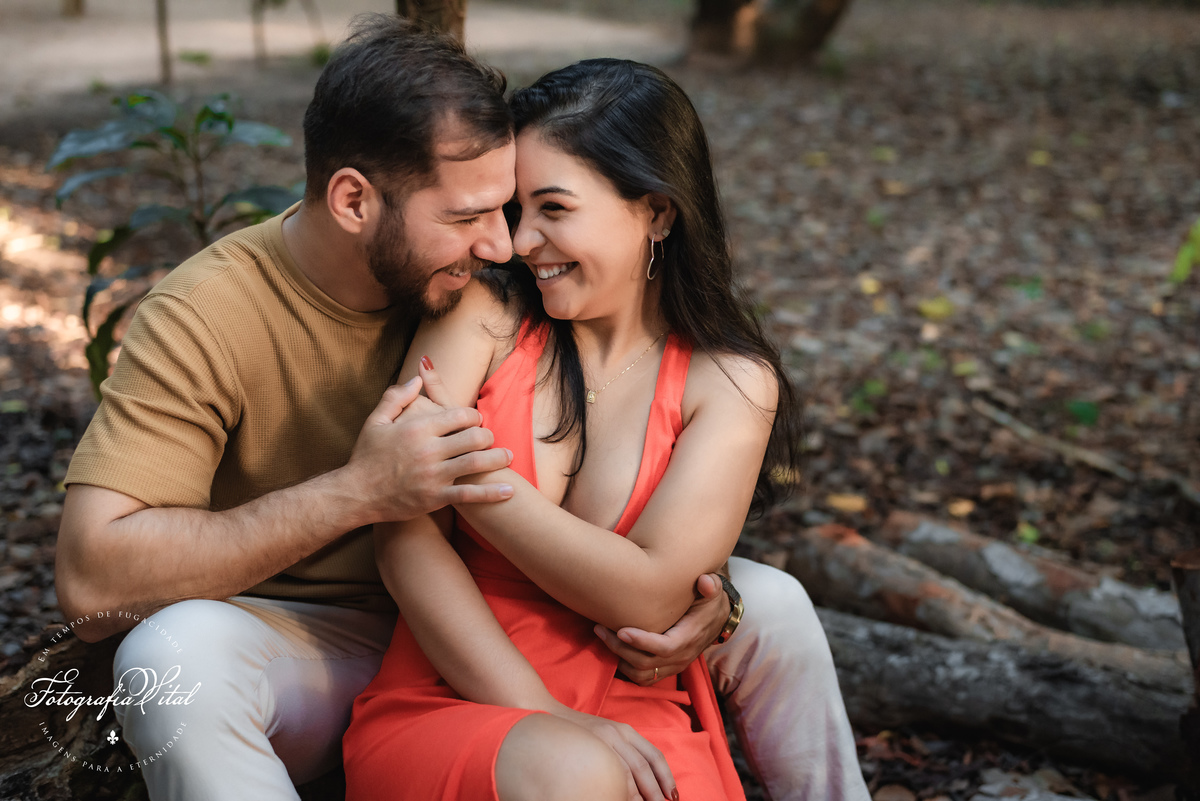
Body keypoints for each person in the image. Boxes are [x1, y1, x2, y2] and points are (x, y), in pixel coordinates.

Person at [54, 15, 866, 801]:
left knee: (776, 604)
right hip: (329, 640)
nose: (503, 244)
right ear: (353, 202)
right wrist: (360, 490)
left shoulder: (504, 296)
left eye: (511, 206)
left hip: (530, 608)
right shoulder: (213, 313)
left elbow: (650, 520)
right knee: (178, 655)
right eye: (471, 216)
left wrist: (714, 596)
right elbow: (94, 584)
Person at [342, 57, 862, 801]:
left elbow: (652, 597)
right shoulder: (484, 317)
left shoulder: (731, 382)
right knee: (577, 773)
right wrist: (544, 712)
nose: (520, 242)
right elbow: (402, 533)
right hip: (456, 692)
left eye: (553, 209)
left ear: (656, 210)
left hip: (639, 707)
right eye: (516, 210)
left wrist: (477, 479)